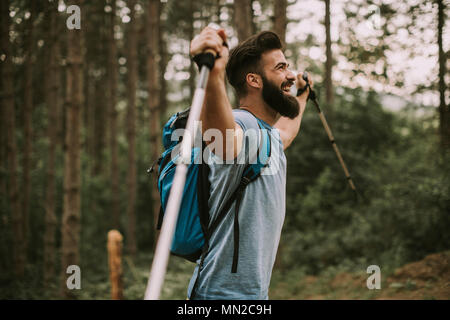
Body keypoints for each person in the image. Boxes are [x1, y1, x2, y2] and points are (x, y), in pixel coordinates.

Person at [187, 26, 313, 300]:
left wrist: (302, 96)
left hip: (252, 296)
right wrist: (213, 75)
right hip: (220, 296)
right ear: (254, 80)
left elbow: (287, 133)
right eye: (280, 68)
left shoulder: (268, 136)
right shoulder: (242, 123)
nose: (290, 74)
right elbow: (223, 139)